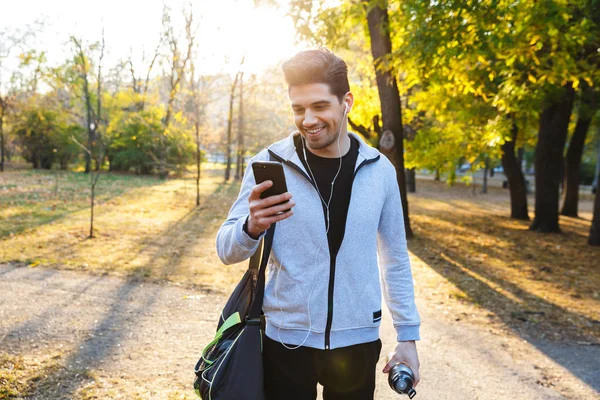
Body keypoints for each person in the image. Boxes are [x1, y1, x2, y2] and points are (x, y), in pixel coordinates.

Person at [216, 48, 421, 400]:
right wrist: (251, 226)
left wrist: (407, 337)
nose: (308, 119)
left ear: (347, 102)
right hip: (285, 340)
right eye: (298, 109)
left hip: (356, 341)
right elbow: (225, 249)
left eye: (320, 106)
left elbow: (396, 261)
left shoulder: (380, 171)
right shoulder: (269, 163)